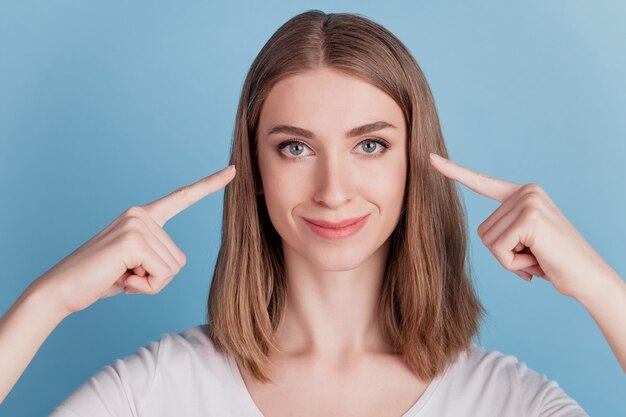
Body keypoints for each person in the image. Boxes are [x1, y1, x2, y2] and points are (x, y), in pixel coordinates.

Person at [1, 9, 624, 416]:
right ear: (255, 169)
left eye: (370, 145)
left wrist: (604, 290)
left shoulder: (509, 403)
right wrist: (47, 300)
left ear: (415, 161)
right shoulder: (156, 391)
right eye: (296, 147)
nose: (333, 189)